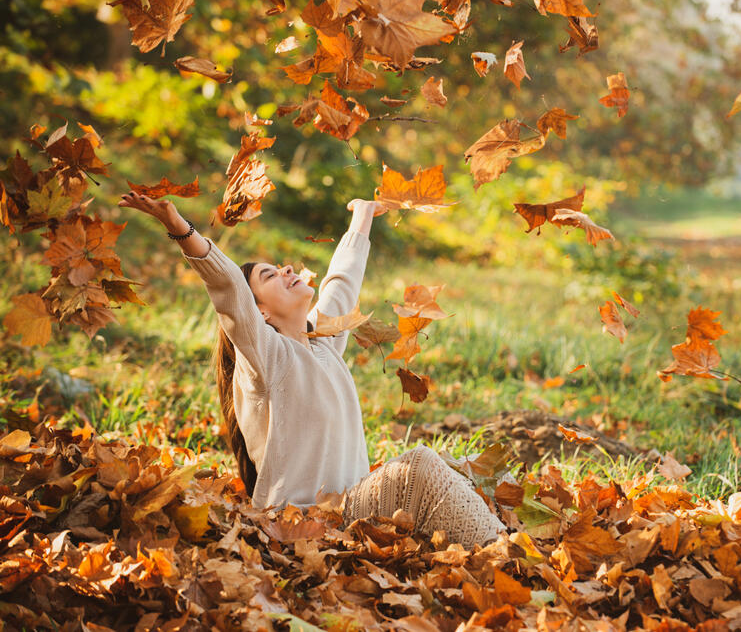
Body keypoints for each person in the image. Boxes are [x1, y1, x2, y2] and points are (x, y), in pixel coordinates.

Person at [118, 190, 506, 549]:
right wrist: (180, 229)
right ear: (260, 313)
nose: (287, 269)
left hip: (352, 511)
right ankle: (506, 555)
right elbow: (230, 288)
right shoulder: (266, 361)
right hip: (301, 524)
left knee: (458, 468)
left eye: (280, 268)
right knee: (418, 465)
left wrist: (363, 217)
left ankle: (496, 547)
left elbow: (341, 285)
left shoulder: (323, 345)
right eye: (270, 275)